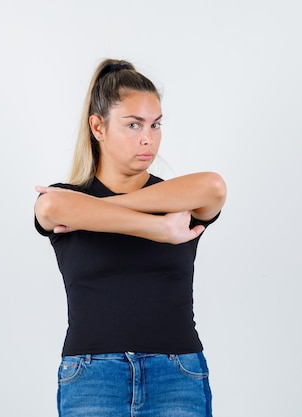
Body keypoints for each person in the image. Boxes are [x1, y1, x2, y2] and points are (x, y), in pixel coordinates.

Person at [34, 58, 226, 417]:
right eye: (134, 124)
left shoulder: (176, 198)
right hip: (92, 376)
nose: (147, 138)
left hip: (177, 373)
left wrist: (103, 208)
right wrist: (158, 228)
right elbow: (50, 208)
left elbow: (214, 187)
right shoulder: (64, 200)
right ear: (98, 127)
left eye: (155, 125)